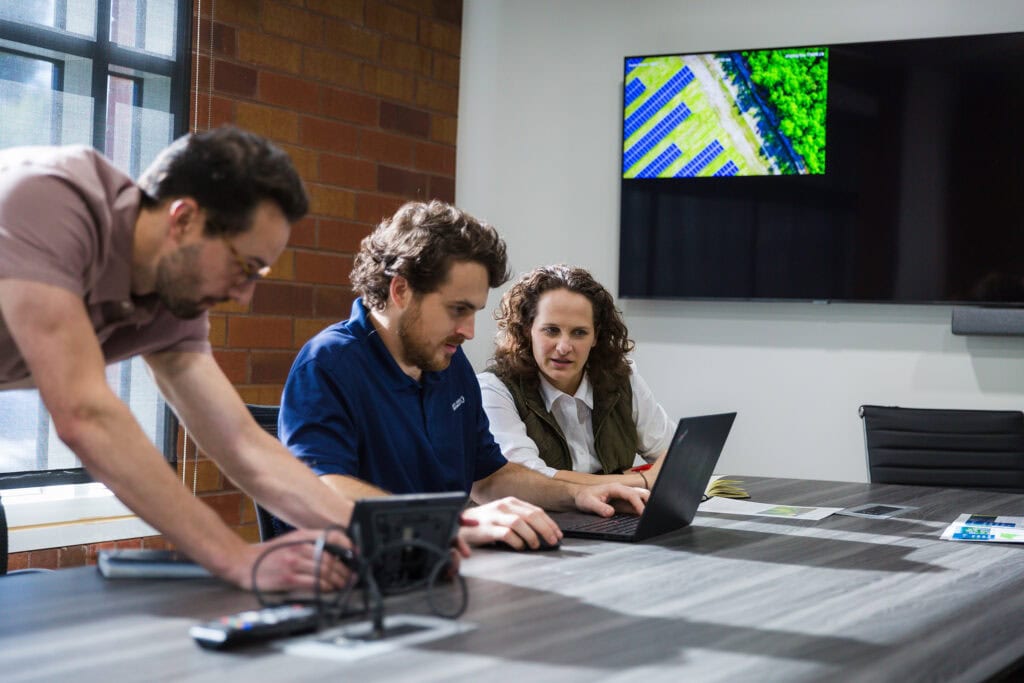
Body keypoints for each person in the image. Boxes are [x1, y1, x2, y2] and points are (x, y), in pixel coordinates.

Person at [0, 127, 353, 591]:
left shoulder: (171, 299)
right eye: (244, 266)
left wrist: (381, 536)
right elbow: (85, 416)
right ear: (183, 219)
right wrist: (235, 557)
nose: (244, 296)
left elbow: (242, 443)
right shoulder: (46, 201)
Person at [279, 201, 647, 551]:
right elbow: (323, 490)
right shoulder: (328, 364)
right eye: (457, 310)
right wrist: (456, 524)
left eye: (474, 312)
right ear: (401, 289)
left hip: (444, 568)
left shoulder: (448, 363)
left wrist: (577, 495)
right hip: (360, 584)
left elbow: (490, 479)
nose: (469, 331)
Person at [478, 265, 674, 489]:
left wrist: (633, 481)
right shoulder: (494, 389)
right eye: (551, 330)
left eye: (579, 333)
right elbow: (528, 478)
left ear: (595, 337)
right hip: (542, 521)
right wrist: (639, 480)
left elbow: (673, 454)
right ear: (526, 330)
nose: (563, 347)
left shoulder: (621, 377)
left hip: (614, 518)